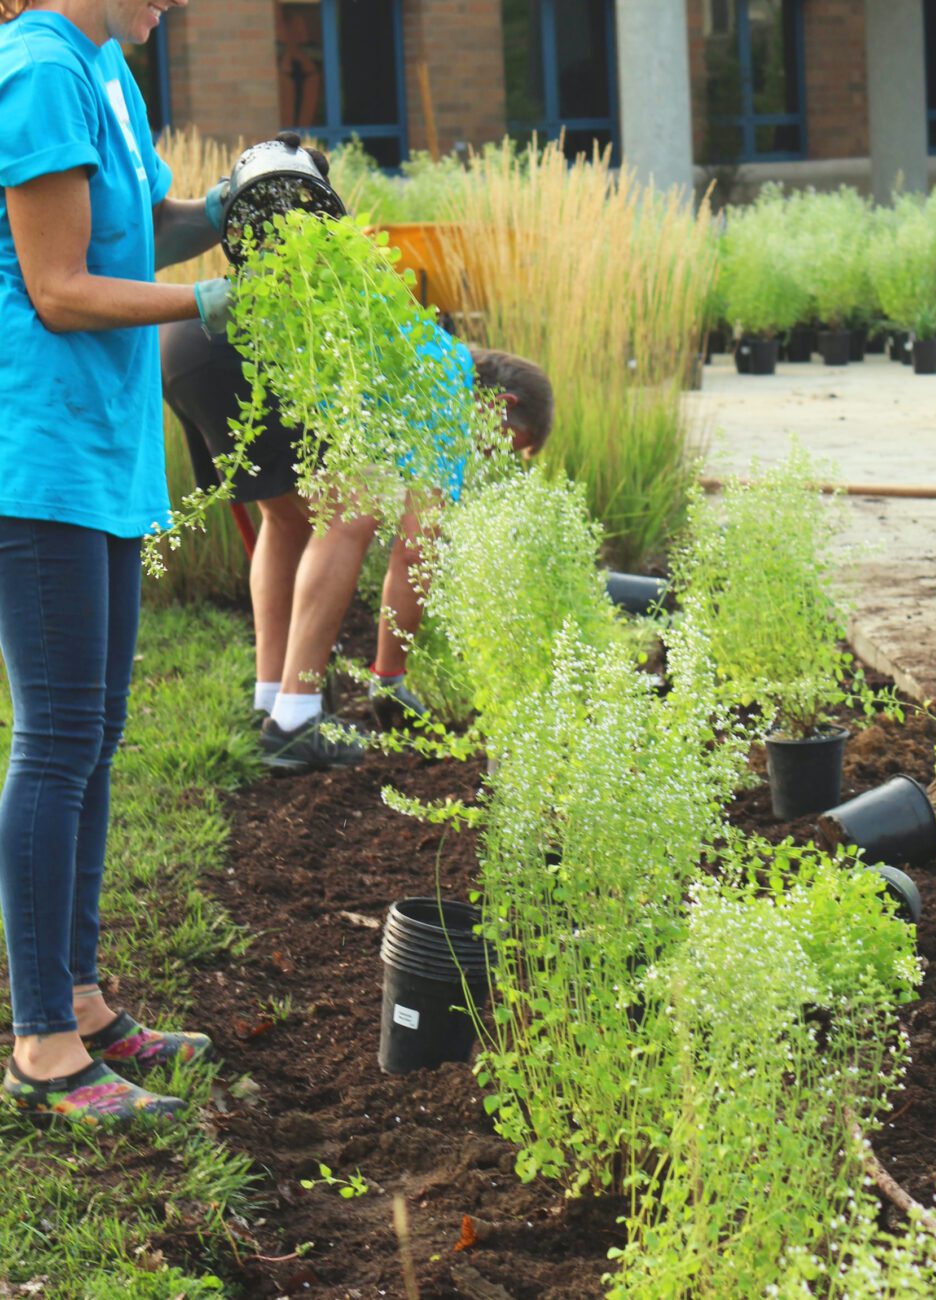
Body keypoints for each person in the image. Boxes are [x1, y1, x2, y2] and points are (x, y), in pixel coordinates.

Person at [0, 0, 245, 1124]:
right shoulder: (36, 71)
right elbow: (58, 290)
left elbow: (144, 227)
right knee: (54, 740)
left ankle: (84, 997)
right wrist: (210, 303)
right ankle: (42, 1041)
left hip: (104, 450)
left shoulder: (107, 69)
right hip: (37, 449)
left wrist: (238, 209)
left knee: (94, 731)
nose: (172, 3)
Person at [160, 313, 554, 773]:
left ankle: (272, 706)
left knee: (286, 519)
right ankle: (295, 722)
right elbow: (415, 550)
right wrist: (389, 678)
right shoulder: (448, 383)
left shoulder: (422, 347)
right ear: (498, 402)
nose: (487, 454)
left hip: (189, 339)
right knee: (358, 503)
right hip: (240, 348)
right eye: (503, 441)